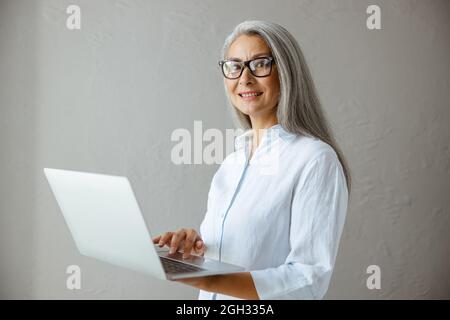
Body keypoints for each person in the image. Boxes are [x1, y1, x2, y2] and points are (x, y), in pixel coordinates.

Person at [152, 20, 351, 300]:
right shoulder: (232, 163)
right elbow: (243, 251)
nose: (244, 78)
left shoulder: (315, 160)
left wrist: (208, 280)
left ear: (286, 71)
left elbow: (309, 279)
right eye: (234, 66)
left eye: (260, 64)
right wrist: (195, 250)